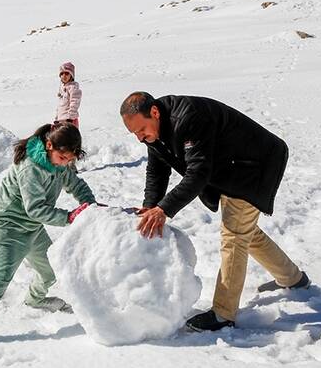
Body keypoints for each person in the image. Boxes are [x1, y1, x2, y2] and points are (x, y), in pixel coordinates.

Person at [119, 92, 310, 332]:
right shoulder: (154, 131)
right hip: (230, 167)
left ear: (154, 113)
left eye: (141, 130)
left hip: (256, 165)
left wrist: (164, 210)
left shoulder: (189, 117)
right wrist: (151, 205)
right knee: (244, 231)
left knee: (235, 236)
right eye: (134, 133)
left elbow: (198, 173)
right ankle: (293, 279)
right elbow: (157, 170)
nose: (139, 138)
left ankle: (223, 314)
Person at [0, 122, 97, 348]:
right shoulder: (31, 168)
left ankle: (35, 299)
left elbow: (76, 184)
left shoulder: (59, 164)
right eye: (63, 158)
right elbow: (34, 209)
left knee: (50, 270)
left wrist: (90, 205)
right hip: (8, 227)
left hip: (32, 228)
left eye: (69, 160)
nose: (66, 164)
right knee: (1, 276)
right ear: (49, 145)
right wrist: (70, 217)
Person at [55, 62, 82, 127]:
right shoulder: (62, 89)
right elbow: (60, 106)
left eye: (67, 73)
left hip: (69, 120)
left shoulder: (73, 88)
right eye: (62, 74)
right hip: (61, 121)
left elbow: (75, 102)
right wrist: (56, 118)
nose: (64, 76)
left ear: (71, 76)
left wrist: (70, 117)